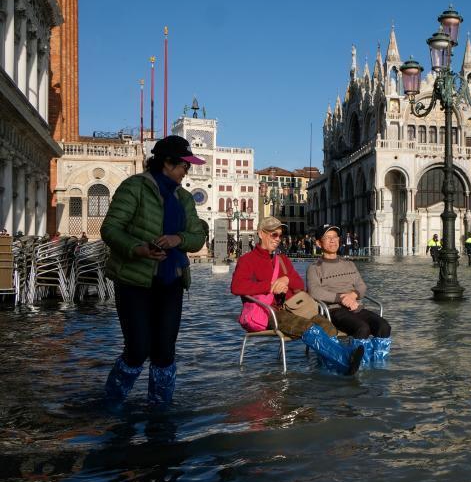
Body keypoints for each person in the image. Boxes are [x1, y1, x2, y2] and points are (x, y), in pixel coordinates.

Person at [100, 135, 207, 406]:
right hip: (134, 280)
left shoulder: (184, 198)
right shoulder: (134, 187)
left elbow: (197, 237)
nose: (187, 171)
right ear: (167, 163)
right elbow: (110, 229)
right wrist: (139, 249)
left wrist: (177, 239)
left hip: (171, 281)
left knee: (165, 352)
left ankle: (160, 411)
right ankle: (111, 403)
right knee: (137, 349)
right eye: (184, 165)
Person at [231, 218, 363, 375]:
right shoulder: (247, 260)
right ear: (261, 234)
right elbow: (237, 287)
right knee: (308, 327)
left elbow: (298, 284)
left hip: (293, 307)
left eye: (280, 235)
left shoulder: (283, 259)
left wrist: (286, 279)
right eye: (274, 235)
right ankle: (344, 359)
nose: (278, 239)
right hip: (269, 313)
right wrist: (270, 285)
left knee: (327, 326)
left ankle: (332, 366)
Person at [308, 224, 391, 340]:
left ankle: (377, 357)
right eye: (328, 237)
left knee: (384, 326)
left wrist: (353, 295)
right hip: (333, 310)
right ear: (318, 243)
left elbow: (362, 286)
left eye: (335, 237)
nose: (333, 240)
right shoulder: (314, 267)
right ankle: (354, 357)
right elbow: (314, 292)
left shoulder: (349, 264)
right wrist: (341, 298)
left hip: (355, 307)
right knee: (362, 328)